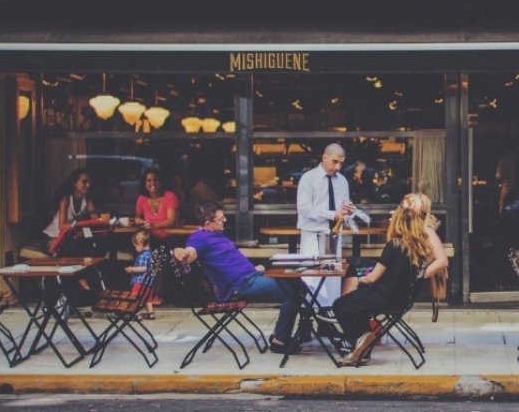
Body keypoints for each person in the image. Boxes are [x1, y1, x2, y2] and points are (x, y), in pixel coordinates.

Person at [173, 201, 299, 354]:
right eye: (221, 219)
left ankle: (280, 335)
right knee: (293, 290)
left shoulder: (218, 235)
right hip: (241, 285)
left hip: (252, 276)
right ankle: (280, 339)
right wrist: (180, 252)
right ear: (207, 223)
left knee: (298, 282)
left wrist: (263, 267)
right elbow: (190, 253)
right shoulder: (199, 238)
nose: (225, 220)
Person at [332, 206, 434, 365]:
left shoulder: (394, 245)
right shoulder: (421, 248)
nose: (390, 221)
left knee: (340, 304)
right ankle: (362, 349)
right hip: (402, 300)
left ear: (398, 223)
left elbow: (373, 278)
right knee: (359, 305)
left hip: (384, 297)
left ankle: (361, 339)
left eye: (393, 219)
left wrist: (359, 280)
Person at [342, 192, 448, 296]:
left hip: (393, 277)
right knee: (354, 263)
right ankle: (347, 304)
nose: (398, 210)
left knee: (355, 265)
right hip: (392, 274)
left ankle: (347, 305)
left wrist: (416, 277)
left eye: (402, 208)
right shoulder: (409, 229)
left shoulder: (426, 229)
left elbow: (442, 261)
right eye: (400, 206)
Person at [296, 142, 354, 307]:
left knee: (332, 280)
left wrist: (348, 211)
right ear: (324, 157)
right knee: (310, 278)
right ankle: (306, 322)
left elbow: (344, 209)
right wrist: (332, 214)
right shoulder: (309, 178)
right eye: (334, 162)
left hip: (333, 237)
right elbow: (305, 208)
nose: (338, 167)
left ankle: (327, 319)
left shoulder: (342, 181)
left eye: (341, 163)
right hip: (313, 236)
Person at [42, 168, 96, 253]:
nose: (88, 185)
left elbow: (95, 220)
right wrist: (83, 225)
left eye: (89, 182)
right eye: (84, 182)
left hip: (69, 236)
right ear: (75, 183)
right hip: (53, 236)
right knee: (62, 252)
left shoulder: (87, 198)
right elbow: (62, 226)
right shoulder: (65, 198)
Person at [134, 168, 180, 244]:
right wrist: (138, 220)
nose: (153, 183)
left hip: (169, 238)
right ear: (144, 184)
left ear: (161, 182)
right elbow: (137, 217)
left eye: (155, 180)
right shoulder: (142, 198)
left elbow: (171, 220)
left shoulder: (170, 196)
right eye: (149, 180)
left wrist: (154, 225)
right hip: (149, 239)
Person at [125, 231, 156, 321]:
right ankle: (150, 313)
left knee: (135, 297)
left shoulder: (143, 255)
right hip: (149, 282)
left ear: (140, 245)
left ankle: (136, 313)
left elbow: (144, 268)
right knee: (148, 298)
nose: (135, 248)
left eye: (135, 245)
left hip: (140, 281)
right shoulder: (151, 253)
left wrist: (131, 269)